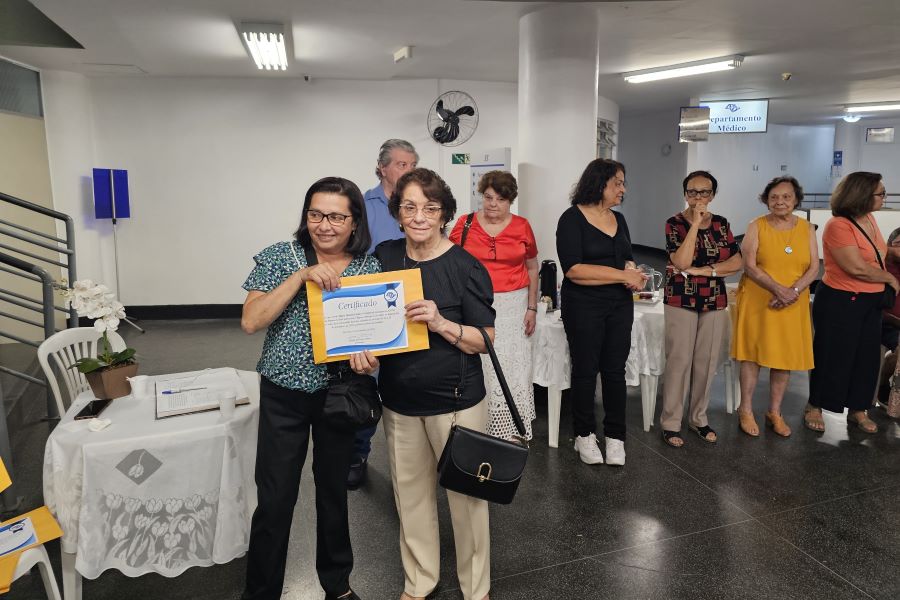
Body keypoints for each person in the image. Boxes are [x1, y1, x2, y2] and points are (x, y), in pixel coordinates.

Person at [349, 168, 495, 600]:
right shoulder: (385, 256)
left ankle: (477, 588)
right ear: (397, 213)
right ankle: (419, 582)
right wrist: (363, 350)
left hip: (457, 401)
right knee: (410, 499)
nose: (419, 216)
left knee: (468, 502)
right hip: (399, 400)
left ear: (444, 214)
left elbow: (486, 340)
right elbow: (369, 320)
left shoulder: (465, 267)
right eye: (409, 207)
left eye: (430, 208)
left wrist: (441, 322)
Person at [240, 177, 380, 600]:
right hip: (284, 394)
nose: (324, 225)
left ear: (354, 222)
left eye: (336, 216)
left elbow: (376, 336)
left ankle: (337, 585)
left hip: (340, 395)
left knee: (334, 493)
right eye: (316, 214)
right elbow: (251, 321)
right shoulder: (280, 256)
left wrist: (371, 358)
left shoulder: (368, 268)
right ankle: (260, 592)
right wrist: (301, 276)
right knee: (275, 498)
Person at [556, 159, 646, 466]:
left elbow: (627, 257)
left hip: (619, 304)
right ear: (599, 183)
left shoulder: (619, 219)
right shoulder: (571, 219)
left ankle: (615, 436)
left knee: (614, 371)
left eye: (623, 183)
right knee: (585, 370)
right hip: (583, 305)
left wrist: (633, 273)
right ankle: (583, 434)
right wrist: (622, 275)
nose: (623, 189)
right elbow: (574, 270)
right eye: (617, 183)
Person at [449, 170, 539, 440]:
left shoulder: (522, 226)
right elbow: (450, 263)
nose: (493, 204)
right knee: (481, 366)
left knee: (512, 367)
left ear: (510, 201)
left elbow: (532, 268)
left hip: (514, 306)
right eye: (488, 197)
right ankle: (477, 426)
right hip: (475, 303)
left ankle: (510, 430)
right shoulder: (465, 224)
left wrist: (532, 307)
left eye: (500, 199)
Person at [350, 138, 419, 489]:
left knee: (408, 381)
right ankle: (358, 454)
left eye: (413, 165)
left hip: (413, 304)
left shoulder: (418, 204)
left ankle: (414, 460)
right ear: (382, 168)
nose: (409, 170)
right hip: (375, 304)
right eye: (402, 164)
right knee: (368, 383)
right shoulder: (364, 205)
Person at [806, 171, 897, 433]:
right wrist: (890, 279)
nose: (884, 197)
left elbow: (875, 254)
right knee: (832, 355)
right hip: (841, 300)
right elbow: (855, 267)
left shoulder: (869, 219)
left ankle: (859, 409)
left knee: (866, 358)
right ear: (862, 195)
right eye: (880, 193)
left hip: (870, 301)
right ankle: (815, 405)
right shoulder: (838, 225)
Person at [660, 170, 743, 448]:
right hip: (680, 298)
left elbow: (737, 262)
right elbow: (682, 262)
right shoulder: (674, 223)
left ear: (713, 195)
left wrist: (706, 271)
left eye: (704, 192)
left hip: (714, 299)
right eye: (692, 192)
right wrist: (695, 224)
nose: (698, 197)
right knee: (679, 361)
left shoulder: (721, 223)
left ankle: (698, 418)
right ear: (685, 194)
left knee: (707, 362)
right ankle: (671, 423)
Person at [731, 176, 818, 437]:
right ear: (766, 200)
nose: (780, 201)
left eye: (786, 197)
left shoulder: (807, 229)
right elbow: (749, 265)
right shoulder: (756, 226)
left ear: (796, 199)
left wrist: (792, 291)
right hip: (760, 298)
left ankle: (774, 412)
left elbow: (814, 268)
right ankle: (746, 409)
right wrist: (778, 289)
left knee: (784, 357)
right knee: (752, 355)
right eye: (774, 197)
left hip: (793, 300)